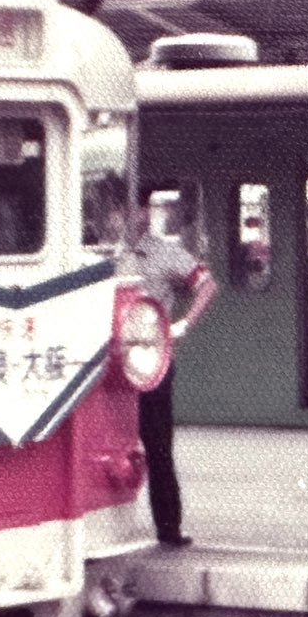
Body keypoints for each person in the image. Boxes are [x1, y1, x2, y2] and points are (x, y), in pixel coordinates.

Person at [124, 197, 219, 546]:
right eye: (120, 208)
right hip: (107, 365)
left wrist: (183, 324)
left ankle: (168, 527)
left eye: (136, 208)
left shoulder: (166, 253)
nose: (129, 216)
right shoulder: (98, 253)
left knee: (158, 444)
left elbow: (207, 284)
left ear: (146, 214)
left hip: (150, 363)